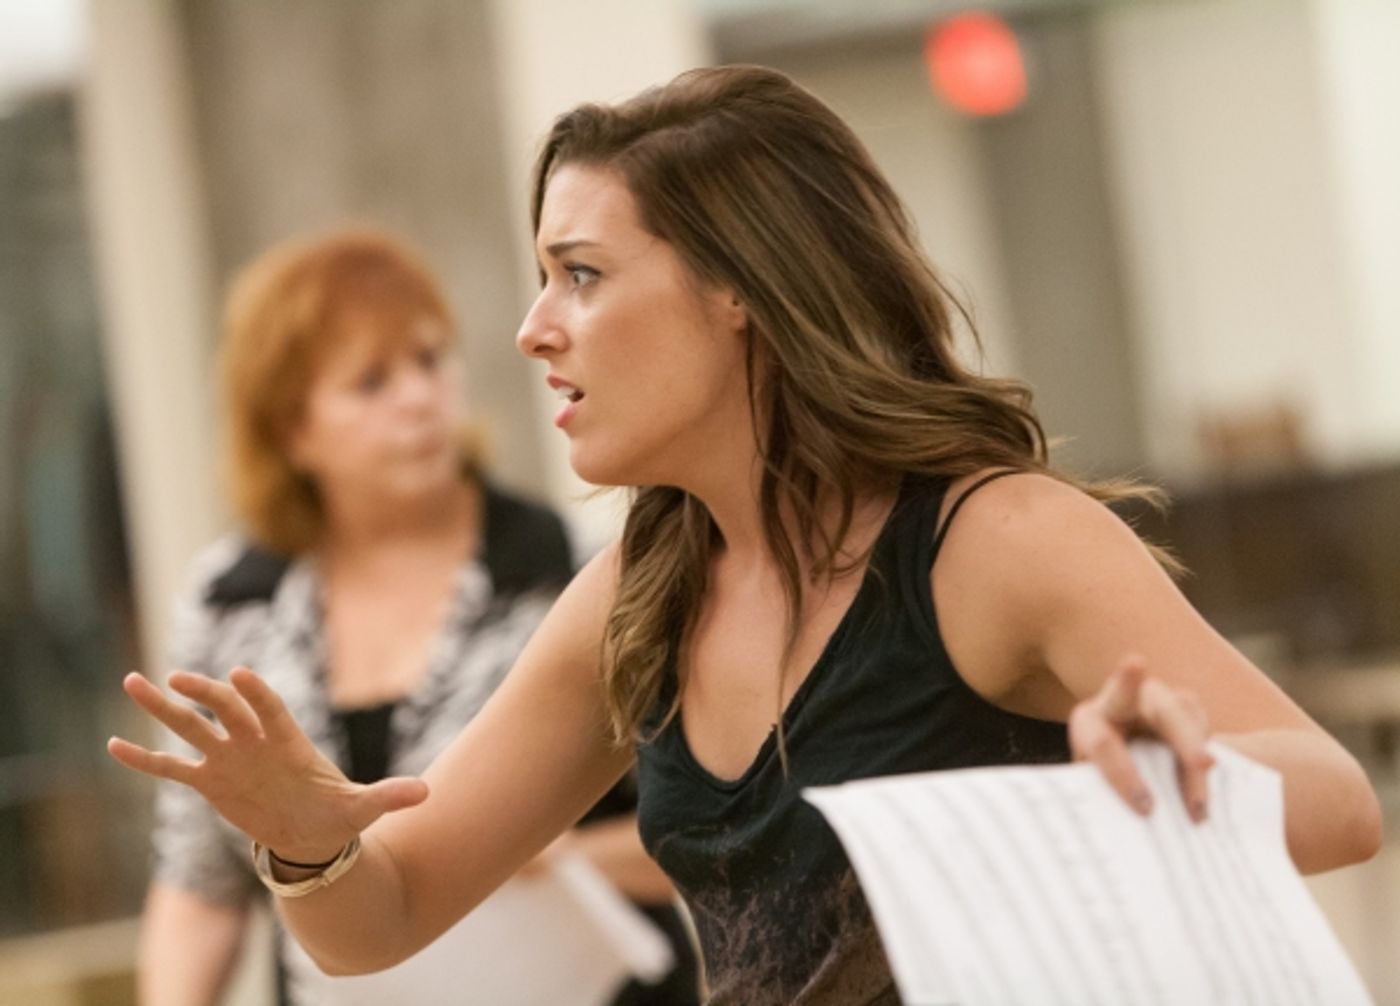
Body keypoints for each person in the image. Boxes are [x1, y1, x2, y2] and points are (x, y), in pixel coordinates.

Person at [110, 67, 1382, 1006]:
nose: (533, 328)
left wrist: (1154, 777)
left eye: (583, 274)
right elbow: (379, 919)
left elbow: (1333, 800)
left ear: (739, 295)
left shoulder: (995, 540)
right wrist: (304, 836)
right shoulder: (638, 595)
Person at [134, 228, 697, 1006]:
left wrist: (555, 854)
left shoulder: (576, 567)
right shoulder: (230, 602)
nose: (419, 398)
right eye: (371, 382)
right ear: (291, 429)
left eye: (430, 360)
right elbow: (200, 881)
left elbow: (709, 824)